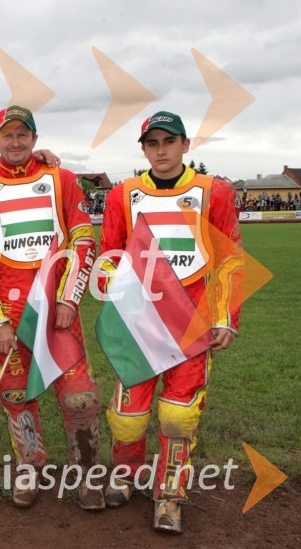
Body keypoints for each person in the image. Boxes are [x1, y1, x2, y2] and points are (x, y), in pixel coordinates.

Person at [98, 111, 242, 533]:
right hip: (139, 327)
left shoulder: (214, 191)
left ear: (185, 145)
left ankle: (170, 496)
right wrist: (117, 298)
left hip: (191, 326)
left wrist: (226, 317)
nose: (161, 151)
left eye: (169, 142)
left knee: (179, 416)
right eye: (152, 143)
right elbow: (110, 255)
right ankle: (128, 473)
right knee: (128, 416)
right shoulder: (122, 194)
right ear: (143, 149)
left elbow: (231, 259)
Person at [0, 105, 103, 510]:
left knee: (80, 398)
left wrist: (70, 298)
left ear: (35, 139)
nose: (16, 141)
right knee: (16, 395)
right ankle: (30, 466)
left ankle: (86, 474)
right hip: (10, 314)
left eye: (24, 134)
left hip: (57, 313)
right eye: (8, 135)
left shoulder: (62, 179)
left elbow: (83, 240)